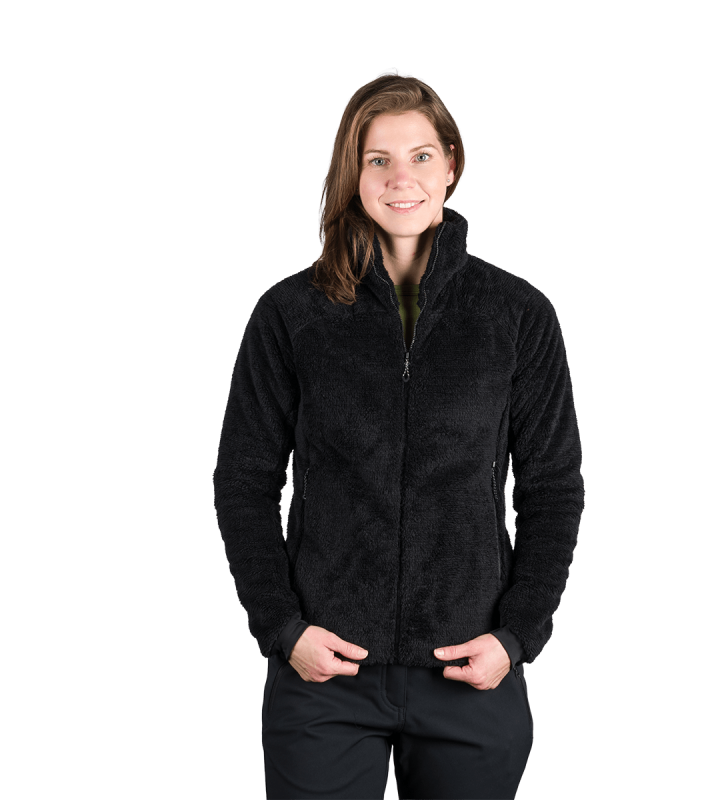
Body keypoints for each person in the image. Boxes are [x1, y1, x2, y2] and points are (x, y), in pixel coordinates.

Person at [213, 68, 585, 800]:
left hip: (470, 672)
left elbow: (553, 488)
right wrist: (283, 629)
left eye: (420, 155)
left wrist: (516, 637)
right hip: (325, 674)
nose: (399, 178)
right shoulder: (290, 314)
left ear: (452, 163)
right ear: (352, 175)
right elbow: (243, 480)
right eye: (377, 159)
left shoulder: (518, 315)